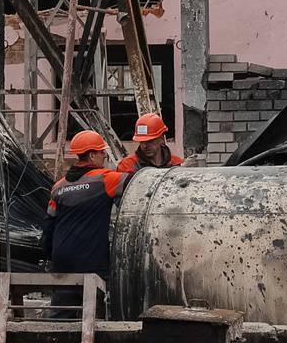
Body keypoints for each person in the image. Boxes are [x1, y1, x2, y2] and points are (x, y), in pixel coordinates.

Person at [40, 130, 127, 306]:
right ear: (92, 155)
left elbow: (49, 226)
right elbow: (138, 181)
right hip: (91, 259)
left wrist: (48, 256)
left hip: (62, 258)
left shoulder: (59, 186)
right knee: (94, 311)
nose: (104, 156)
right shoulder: (105, 179)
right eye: (102, 152)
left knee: (62, 311)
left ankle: (56, 333)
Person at [116, 111, 183, 173]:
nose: (145, 146)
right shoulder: (127, 166)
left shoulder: (176, 164)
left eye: (150, 141)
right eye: (142, 141)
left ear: (161, 139)